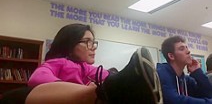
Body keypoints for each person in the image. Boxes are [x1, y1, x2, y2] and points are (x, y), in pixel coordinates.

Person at [23, 23, 162, 104]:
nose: (93, 47)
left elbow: (106, 76)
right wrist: (79, 89)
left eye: (93, 42)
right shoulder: (57, 62)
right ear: (69, 44)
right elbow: (38, 78)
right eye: (87, 42)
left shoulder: (86, 68)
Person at [157, 35, 212, 104]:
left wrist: (197, 72)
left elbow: (211, 96)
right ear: (171, 56)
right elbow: (174, 100)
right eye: (182, 49)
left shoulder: (185, 79)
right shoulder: (162, 73)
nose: (188, 51)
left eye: (187, 48)